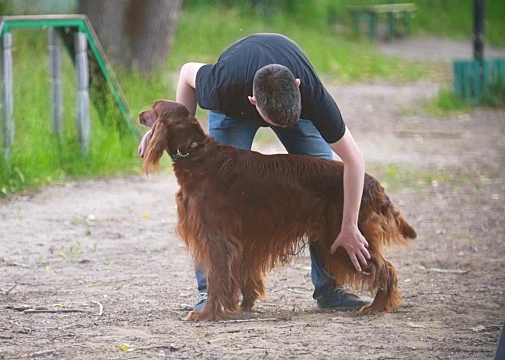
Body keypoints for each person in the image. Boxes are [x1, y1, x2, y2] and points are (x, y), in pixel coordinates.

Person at [141, 33, 371, 311]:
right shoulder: (221, 85)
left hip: (294, 102)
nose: (281, 128)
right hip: (232, 109)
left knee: (324, 182)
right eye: (274, 123)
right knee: (211, 200)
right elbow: (187, 71)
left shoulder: (313, 95)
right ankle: (210, 292)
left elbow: (354, 162)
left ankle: (330, 288)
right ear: (253, 102)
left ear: (297, 86)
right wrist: (171, 128)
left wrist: (348, 225)